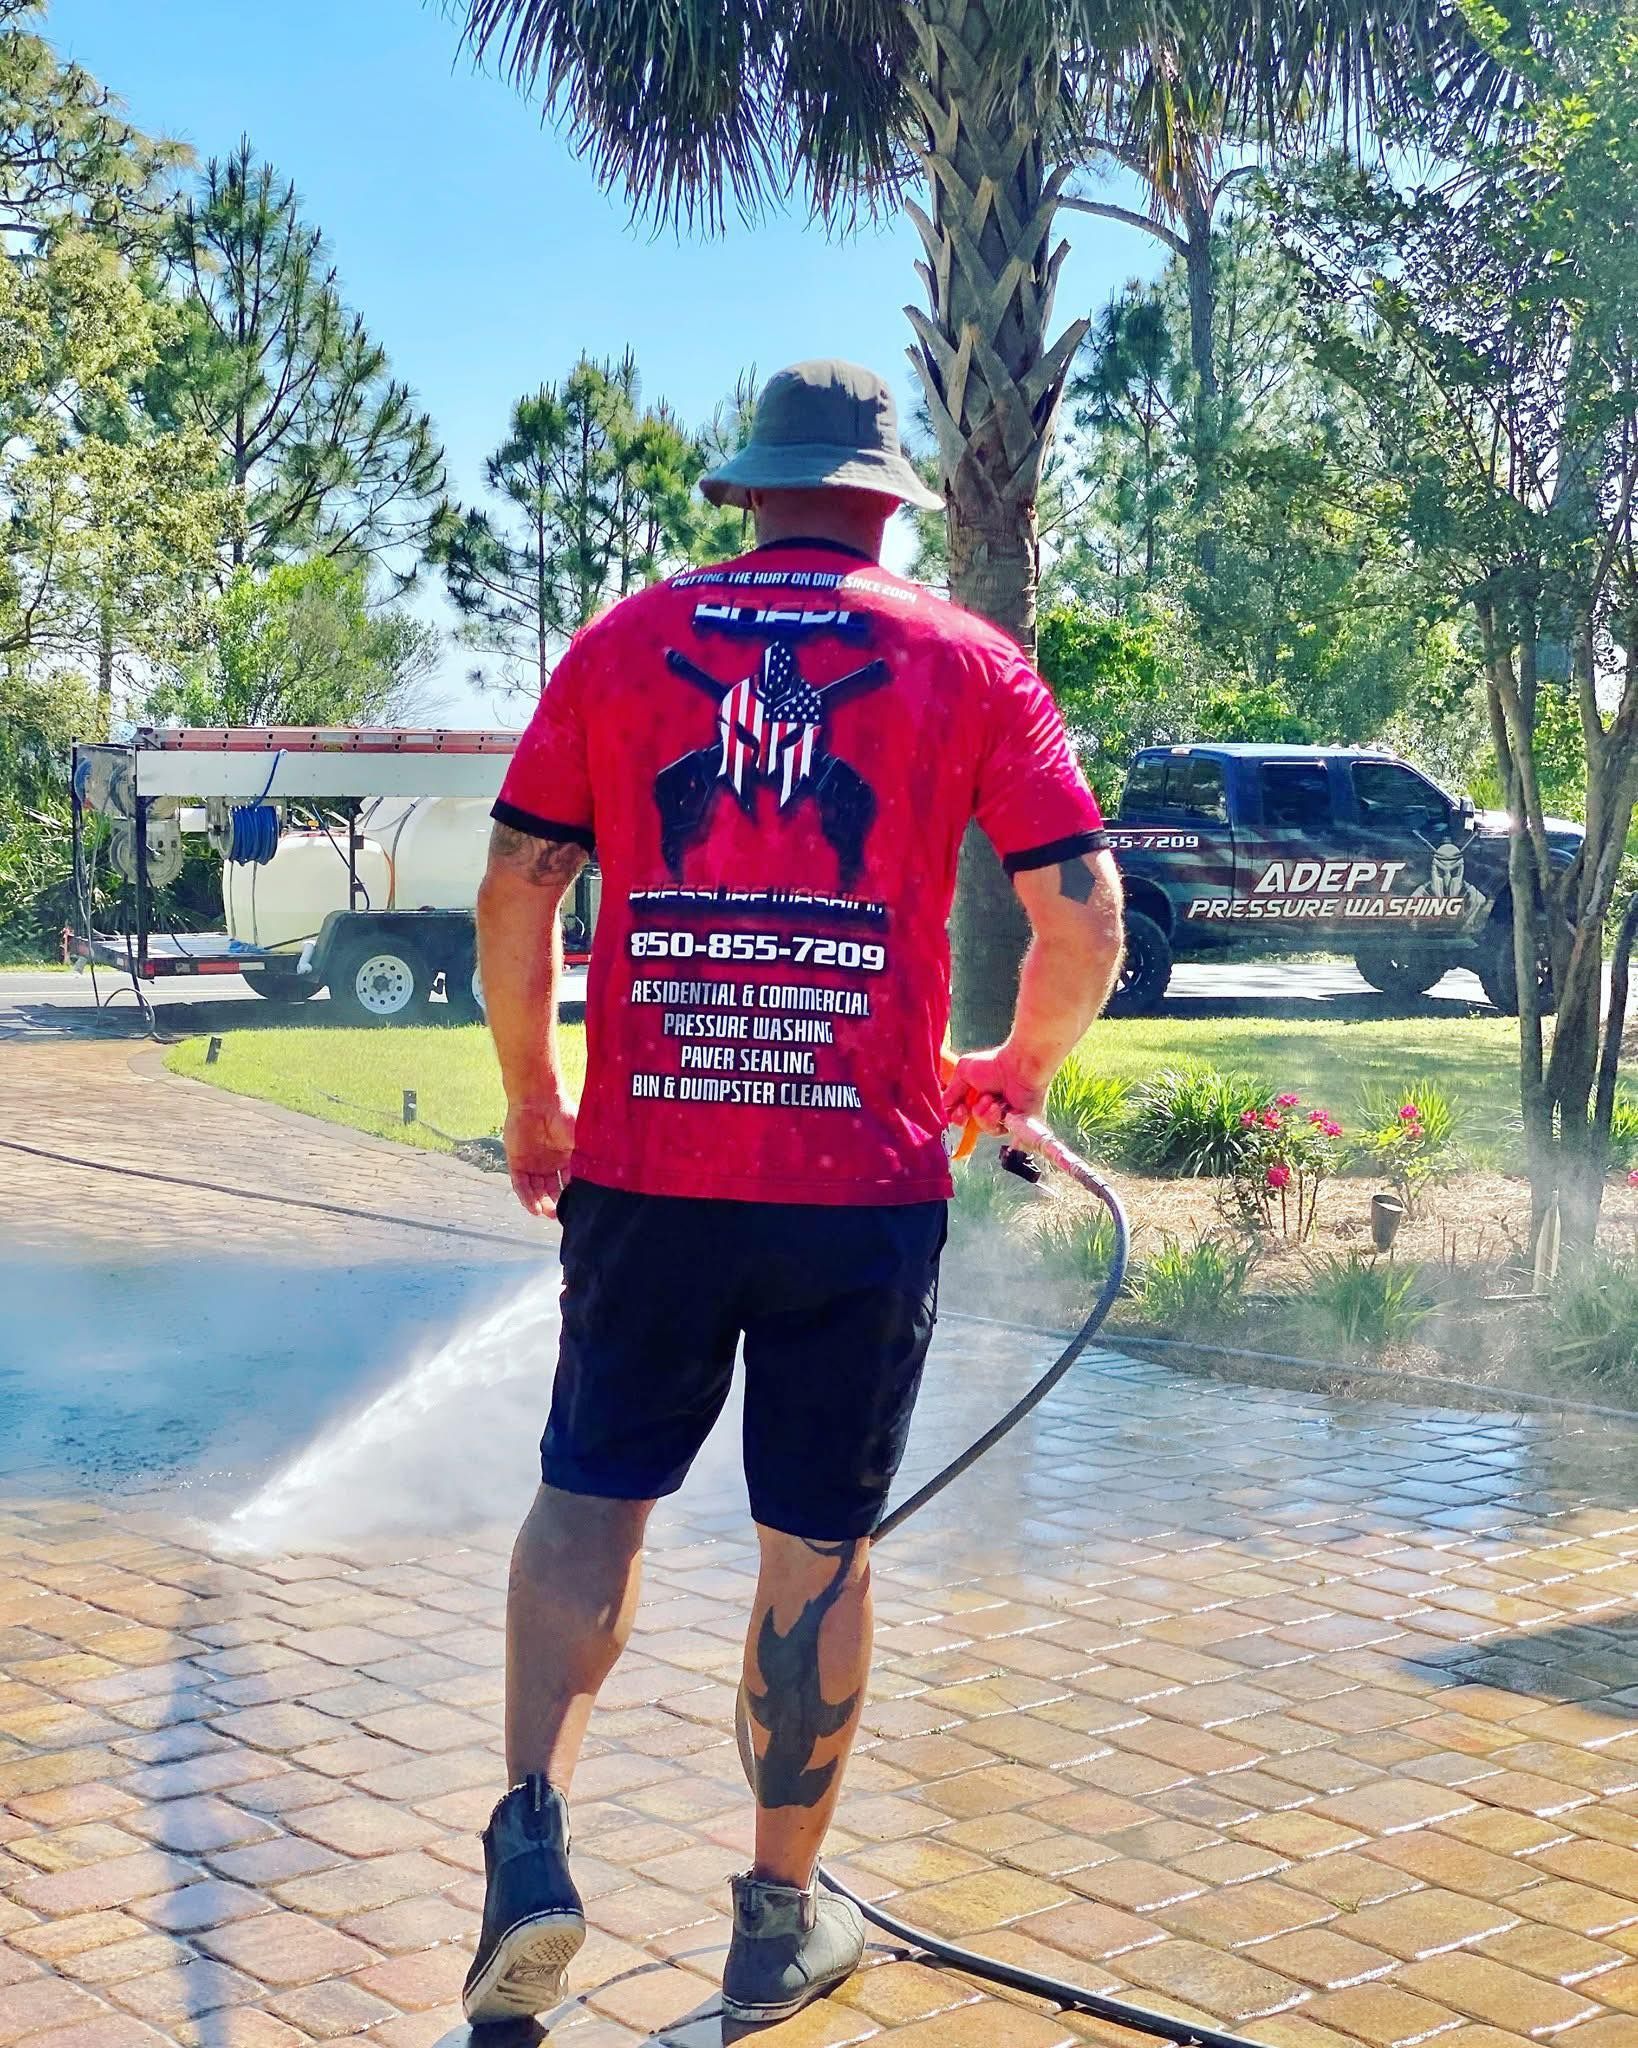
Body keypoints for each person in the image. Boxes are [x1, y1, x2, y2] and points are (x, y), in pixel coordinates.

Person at [464, 359, 1124, 2027]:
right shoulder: (969, 661)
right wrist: (1014, 1075)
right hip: (858, 1186)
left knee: (589, 1494)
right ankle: (774, 1915)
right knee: (812, 1551)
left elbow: (515, 888)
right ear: (885, 502)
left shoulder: (623, 647)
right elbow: (1086, 917)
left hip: (648, 1170)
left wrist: (538, 1104)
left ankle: (531, 1832)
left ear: (750, 492)